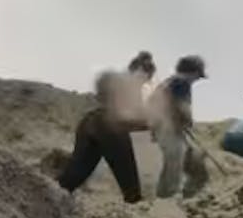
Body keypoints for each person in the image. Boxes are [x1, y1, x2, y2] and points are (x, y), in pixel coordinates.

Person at [58, 51, 156, 203]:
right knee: (132, 187)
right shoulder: (133, 85)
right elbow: (129, 117)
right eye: (148, 76)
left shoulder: (119, 81)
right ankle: (135, 209)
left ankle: (49, 198)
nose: (147, 81)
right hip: (111, 128)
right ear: (144, 72)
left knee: (74, 175)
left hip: (90, 122)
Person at [151, 55, 211, 198]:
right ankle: (170, 197)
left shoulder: (166, 83)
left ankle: (169, 195)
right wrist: (188, 122)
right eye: (197, 75)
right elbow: (183, 107)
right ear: (192, 72)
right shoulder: (182, 82)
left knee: (179, 161)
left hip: (163, 127)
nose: (197, 79)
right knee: (174, 162)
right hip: (170, 128)